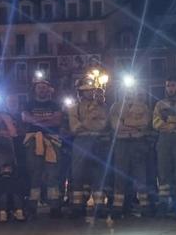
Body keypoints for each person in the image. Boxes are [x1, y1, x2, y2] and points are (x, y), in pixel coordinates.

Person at [20, 72, 67, 218]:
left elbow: (57, 121)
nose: (42, 90)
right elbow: (25, 118)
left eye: (45, 87)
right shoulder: (28, 104)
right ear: (35, 89)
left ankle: (55, 206)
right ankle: (32, 206)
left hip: (52, 141)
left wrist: (36, 121)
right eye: (39, 87)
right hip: (33, 141)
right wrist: (47, 120)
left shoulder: (55, 104)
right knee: (34, 173)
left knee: (53, 174)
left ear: (49, 89)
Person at [67, 72, 111, 218]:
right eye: (87, 90)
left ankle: (99, 205)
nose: (91, 92)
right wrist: (91, 119)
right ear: (81, 92)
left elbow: (102, 125)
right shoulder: (74, 108)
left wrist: (84, 123)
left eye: (92, 90)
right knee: (78, 174)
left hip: (97, 141)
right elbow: (74, 128)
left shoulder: (102, 107)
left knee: (99, 174)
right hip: (81, 142)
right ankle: (78, 206)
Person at [111, 83, 154, 217]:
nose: (128, 93)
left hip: (138, 143)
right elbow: (115, 126)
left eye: (131, 90)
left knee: (140, 175)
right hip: (121, 143)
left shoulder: (143, 107)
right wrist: (133, 125)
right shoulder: (115, 106)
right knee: (120, 175)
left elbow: (145, 123)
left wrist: (125, 123)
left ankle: (144, 206)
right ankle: (119, 207)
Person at [153, 78, 176, 216]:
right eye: (168, 86)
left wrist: (169, 120)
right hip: (164, 139)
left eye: (173, 85)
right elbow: (156, 122)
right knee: (163, 171)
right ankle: (164, 202)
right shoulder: (160, 104)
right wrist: (175, 122)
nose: (170, 88)